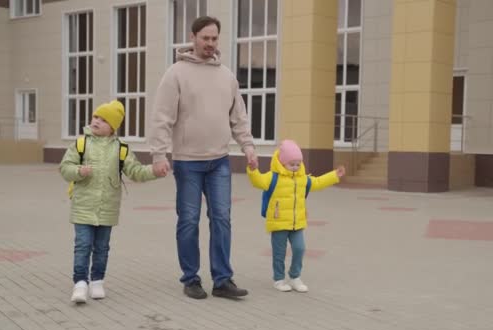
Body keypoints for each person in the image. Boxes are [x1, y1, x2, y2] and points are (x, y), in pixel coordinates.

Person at [148, 16, 257, 299]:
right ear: (193, 37)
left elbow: (239, 116)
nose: (210, 43)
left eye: (214, 39)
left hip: (219, 161)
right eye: (205, 38)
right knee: (189, 220)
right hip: (188, 162)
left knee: (222, 219)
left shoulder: (227, 76)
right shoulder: (175, 73)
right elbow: (162, 117)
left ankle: (223, 280)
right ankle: (191, 278)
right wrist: (159, 154)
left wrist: (248, 145)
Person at [60, 100, 164, 303]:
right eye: (96, 117)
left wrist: (154, 171)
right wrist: (78, 171)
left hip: (108, 209)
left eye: (104, 119)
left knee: (102, 247)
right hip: (83, 206)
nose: (97, 121)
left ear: (112, 127)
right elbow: (65, 168)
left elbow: (135, 172)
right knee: (82, 245)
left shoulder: (121, 149)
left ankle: (97, 281)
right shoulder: (80, 144)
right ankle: (80, 283)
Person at [247, 140, 346, 292]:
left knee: (300, 249)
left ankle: (295, 277)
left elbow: (318, 182)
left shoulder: (302, 179)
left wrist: (334, 175)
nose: (295, 167)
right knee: (279, 253)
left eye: (298, 164)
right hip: (279, 222)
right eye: (292, 164)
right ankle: (279, 279)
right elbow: (257, 181)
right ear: (282, 162)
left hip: (297, 222)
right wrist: (253, 170)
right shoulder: (272, 177)